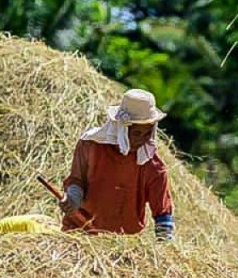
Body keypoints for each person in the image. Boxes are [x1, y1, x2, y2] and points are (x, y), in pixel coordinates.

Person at [58, 88, 175, 240]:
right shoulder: (91, 145)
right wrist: (72, 199)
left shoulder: (152, 165)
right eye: (136, 133)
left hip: (123, 243)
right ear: (122, 129)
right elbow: (77, 180)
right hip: (81, 234)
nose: (141, 140)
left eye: (147, 134)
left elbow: (162, 211)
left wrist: (165, 243)